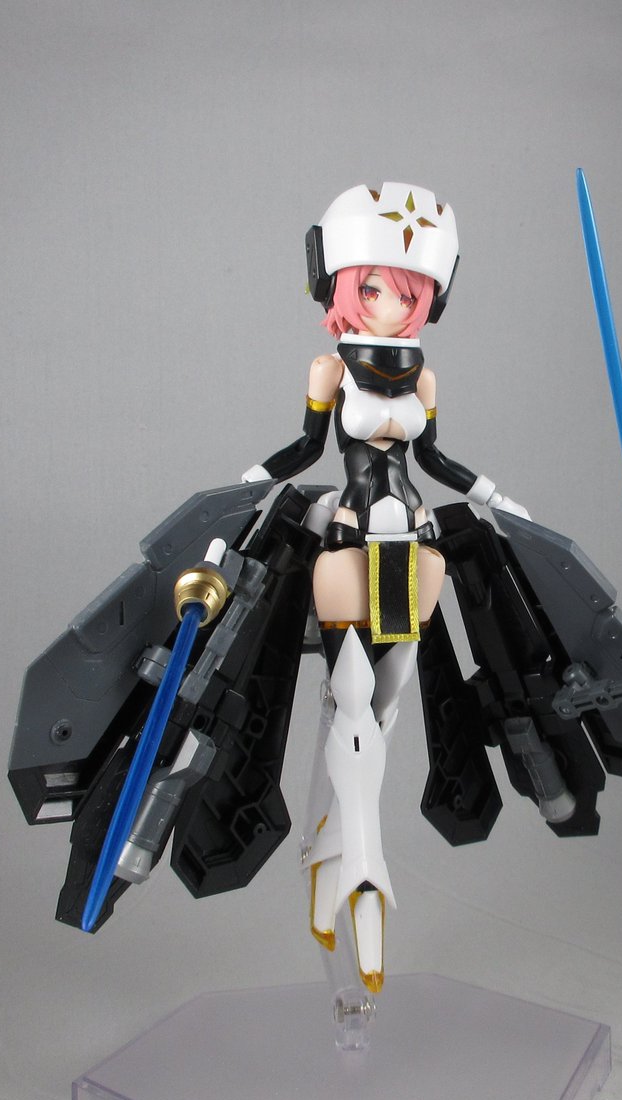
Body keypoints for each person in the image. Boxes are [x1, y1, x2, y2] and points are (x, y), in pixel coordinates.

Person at [242, 183, 529, 990]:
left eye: (409, 294)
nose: (392, 307)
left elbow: (433, 461)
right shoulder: (330, 369)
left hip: (419, 545)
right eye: (373, 289)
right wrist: (247, 484)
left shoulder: (423, 380)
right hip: (348, 539)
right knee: (353, 699)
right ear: (337, 285)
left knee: (386, 708)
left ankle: (331, 845)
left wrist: (493, 496)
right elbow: (305, 450)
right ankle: (363, 858)